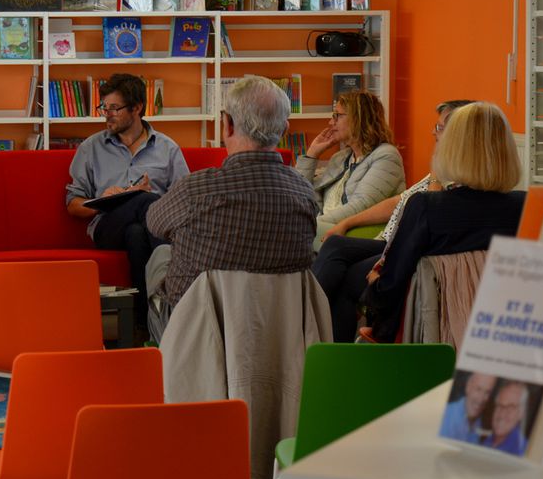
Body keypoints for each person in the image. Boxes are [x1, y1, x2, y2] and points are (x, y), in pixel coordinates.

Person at [145, 76, 319, 340]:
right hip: (278, 332)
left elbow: (154, 223)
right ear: (285, 130)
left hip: (199, 334)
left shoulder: (195, 190)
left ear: (227, 125)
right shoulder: (305, 194)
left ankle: (166, 364)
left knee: (160, 255)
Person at [361, 102, 526, 343]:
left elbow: (391, 287)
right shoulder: (526, 207)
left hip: (435, 344)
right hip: (510, 342)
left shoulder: (426, 207)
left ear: (451, 149)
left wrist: (374, 287)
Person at [313, 100, 473, 342]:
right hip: (388, 239)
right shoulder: (341, 158)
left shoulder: (447, 173)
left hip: (407, 245)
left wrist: (437, 173)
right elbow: (399, 201)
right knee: (334, 246)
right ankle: (314, 329)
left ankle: (308, 327)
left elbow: (429, 212)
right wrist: (311, 155)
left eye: (439, 128)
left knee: (334, 258)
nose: (433, 132)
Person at [66, 73, 189, 329]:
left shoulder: (167, 148)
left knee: (136, 233)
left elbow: (184, 201)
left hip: (141, 231)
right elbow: (72, 205)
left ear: (137, 108)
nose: (106, 114)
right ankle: (176, 289)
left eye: (114, 108)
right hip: (107, 229)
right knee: (143, 200)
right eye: (104, 107)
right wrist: (103, 199)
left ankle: (144, 327)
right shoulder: (91, 148)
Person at [295, 90, 405, 247]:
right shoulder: (341, 157)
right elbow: (299, 192)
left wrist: (311, 224)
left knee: (285, 234)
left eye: (337, 116)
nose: (331, 122)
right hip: (325, 229)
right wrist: (312, 154)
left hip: (357, 234)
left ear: (358, 119)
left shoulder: (386, 156)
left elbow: (361, 205)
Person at [439, 372, 497, 443]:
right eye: (478, 389)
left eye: (487, 392)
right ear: (468, 387)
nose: (481, 399)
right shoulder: (446, 416)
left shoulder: (478, 423)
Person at [482, 380, 529, 456]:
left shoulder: (524, 451)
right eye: (500, 405)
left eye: (511, 407)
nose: (502, 413)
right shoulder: (487, 441)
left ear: (521, 414)